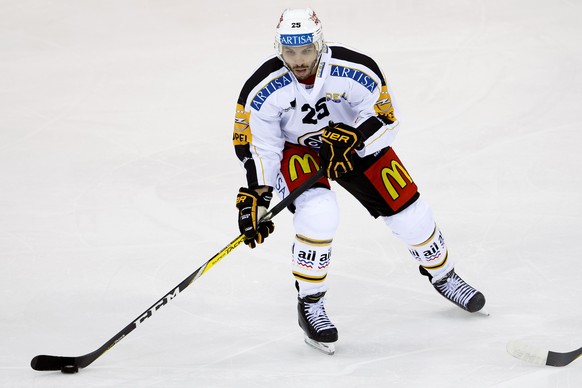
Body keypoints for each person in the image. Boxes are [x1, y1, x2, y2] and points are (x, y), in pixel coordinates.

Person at [232, 8, 486, 354]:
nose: (298, 60)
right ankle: (310, 302)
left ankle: (443, 274)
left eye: (306, 50)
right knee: (319, 213)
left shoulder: (354, 69)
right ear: (280, 49)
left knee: (412, 214)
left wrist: (356, 136)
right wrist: (257, 197)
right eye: (290, 52)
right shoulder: (263, 87)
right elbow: (262, 147)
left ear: (319, 45)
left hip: (357, 147)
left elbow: (385, 115)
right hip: (299, 150)